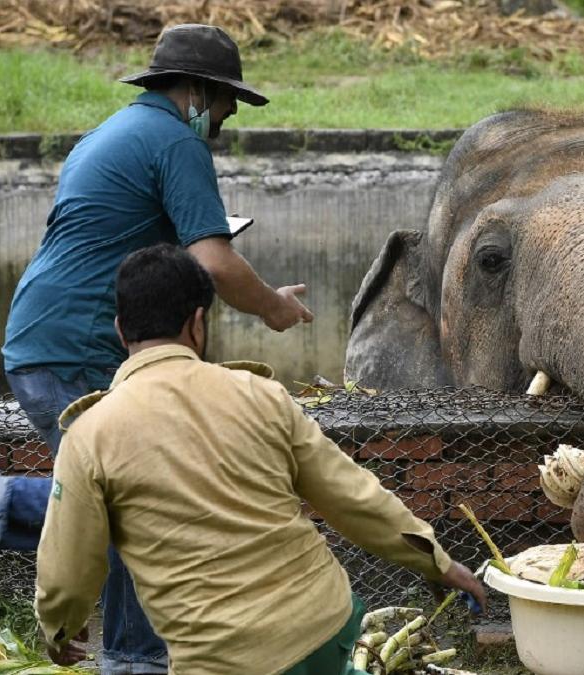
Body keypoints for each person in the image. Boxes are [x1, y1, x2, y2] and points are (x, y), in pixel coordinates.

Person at [0, 24, 311, 673]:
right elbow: (215, 261)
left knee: (127, 493)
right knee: (127, 495)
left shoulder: (114, 133)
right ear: (197, 91)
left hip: (43, 332)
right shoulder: (176, 140)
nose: (222, 122)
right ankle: (135, 657)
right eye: (223, 107)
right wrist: (275, 307)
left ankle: (134, 654)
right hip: (80, 340)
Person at [34, 244, 487, 673]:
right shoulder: (260, 394)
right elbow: (351, 495)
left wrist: (59, 628)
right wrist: (439, 562)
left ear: (119, 329)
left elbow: (68, 566)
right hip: (325, 622)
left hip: (222, 658)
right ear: (197, 322)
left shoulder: (89, 434)